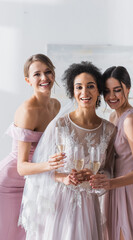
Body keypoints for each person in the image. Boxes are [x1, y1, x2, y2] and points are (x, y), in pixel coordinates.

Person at [19, 61, 116, 240]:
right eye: (78, 87)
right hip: (60, 205)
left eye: (90, 86)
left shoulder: (110, 130)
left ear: (99, 91)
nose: (84, 92)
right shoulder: (59, 125)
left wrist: (98, 178)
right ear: (73, 91)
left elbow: (109, 170)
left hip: (89, 205)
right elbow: (38, 172)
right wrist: (64, 178)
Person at [0, 54, 66, 240]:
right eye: (37, 74)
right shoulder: (28, 111)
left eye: (48, 72)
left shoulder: (56, 105)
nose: (44, 78)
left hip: (36, 182)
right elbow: (22, 166)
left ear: (53, 75)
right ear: (28, 80)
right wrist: (50, 166)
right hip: (11, 183)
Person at [90, 66, 133, 240]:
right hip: (114, 187)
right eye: (107, 91)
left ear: (128, 88)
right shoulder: (113, 117)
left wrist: (111, 184)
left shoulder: (130, 120)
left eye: (117, 90)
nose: (111, 97)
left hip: (128, 190)